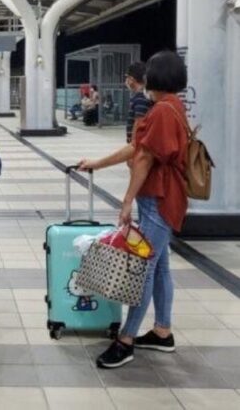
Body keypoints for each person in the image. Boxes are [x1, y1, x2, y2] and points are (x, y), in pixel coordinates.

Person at [79, 50, 189, 369]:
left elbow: (143, 158)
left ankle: (126, 340)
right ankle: (162, 332)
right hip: (161, 198)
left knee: (142, 267)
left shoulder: (162, 111)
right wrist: (97, 163)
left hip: (159, 200)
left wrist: (127, 201)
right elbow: (137, 148)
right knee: (160, 265)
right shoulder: (171, 106)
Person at [125, 62, 152, 144]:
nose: (126, 81)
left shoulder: (141, 97)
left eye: (127, 77)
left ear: (131, 79)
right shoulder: (141, 95)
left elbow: (138, 122)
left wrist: (133, 144)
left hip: (138, 144)